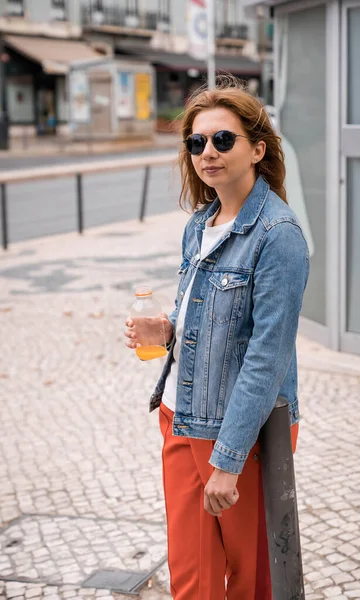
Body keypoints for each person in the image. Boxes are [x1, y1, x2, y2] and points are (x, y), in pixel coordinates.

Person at [125, 77, 309, 600]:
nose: (208, 152)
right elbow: (211, 326)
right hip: (179, 417)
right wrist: (166, 334)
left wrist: (227, 460)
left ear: (257, 148)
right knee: (192, 579)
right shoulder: (199, 223)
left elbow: (266, 358)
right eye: (197, 142)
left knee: (251, 580)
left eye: (222, 140)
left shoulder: (279, 236)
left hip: (240, 433)